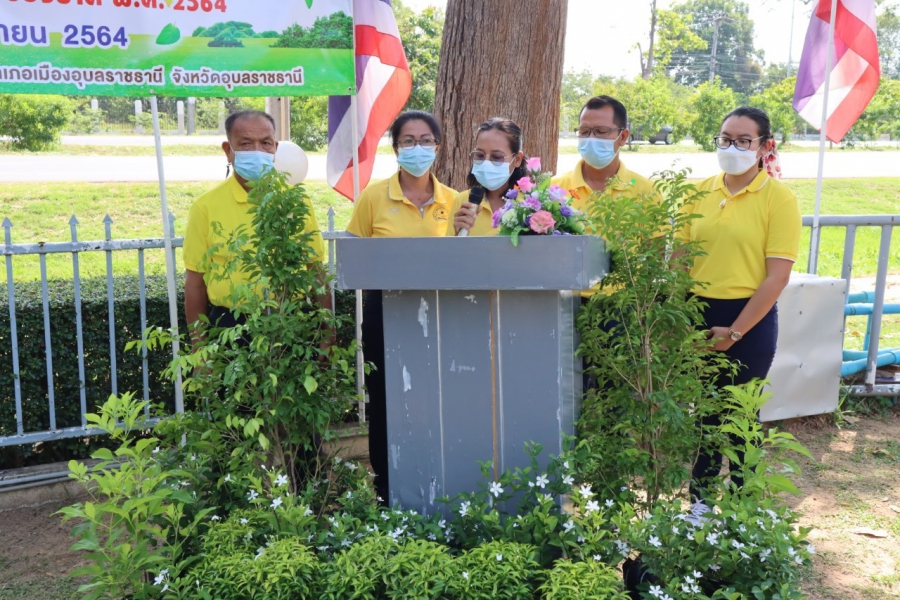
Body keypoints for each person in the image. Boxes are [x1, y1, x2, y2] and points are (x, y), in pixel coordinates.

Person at [680, 106, 801, 503]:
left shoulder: (778, 199)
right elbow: (679, 262)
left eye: (743, 141)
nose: (732, 147)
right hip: (698, 315)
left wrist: (734, 332)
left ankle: (742, 512)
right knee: (706, 417)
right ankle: (699, 506)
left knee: (742, 419)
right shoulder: (698, 193)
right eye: (725, 139)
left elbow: (776, 277)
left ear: (765, 146)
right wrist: (682, 319)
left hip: (750, 321)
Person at [345, 110, 456, 505]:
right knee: (386, 399)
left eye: (425, 140)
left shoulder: (455, 201)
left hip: (441, 315)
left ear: (438, 147)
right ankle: (386, 488)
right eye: (408, 141)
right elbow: (352, 258)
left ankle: (440, 479)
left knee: (438, 397)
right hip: (385, 313)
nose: (417, 148)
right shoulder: (374, 198)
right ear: (395, 148)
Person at [183, 109, 327, 338]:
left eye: (266, 143)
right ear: (228, 150)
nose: (257, 151)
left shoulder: (297, 202)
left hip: (292, 323)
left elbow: (315, 269)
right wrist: (198, 345)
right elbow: (195, 283)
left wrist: (328, 336)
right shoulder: (206, 207)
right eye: (246, 144)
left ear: (275, 149)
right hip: (231, 327)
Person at [447, 117, 526, 237]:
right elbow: (448, 248)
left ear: (517, 159)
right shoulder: (463, 201)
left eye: (497, 157)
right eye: (480, 155)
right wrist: (457, 235)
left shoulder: (531, 203)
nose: (486, 163)